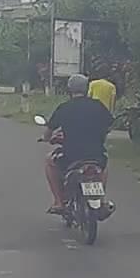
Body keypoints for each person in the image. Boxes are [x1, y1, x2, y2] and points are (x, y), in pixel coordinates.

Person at [44, 73, 114, 215]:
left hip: (71, 156)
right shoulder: (98, 106)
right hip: (96, 154)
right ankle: (101, 200)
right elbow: (109, 126)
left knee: (49, 161)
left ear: (69, 89)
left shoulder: (64, 107)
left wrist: (48, 138)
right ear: (87, 89)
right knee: (103, 167)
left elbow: (48, 133)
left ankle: (59, 202)